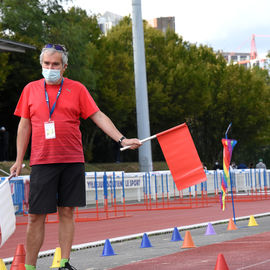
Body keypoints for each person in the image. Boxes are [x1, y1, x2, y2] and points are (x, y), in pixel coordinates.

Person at [10, 44, 142, 270]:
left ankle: (64, 263)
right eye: (47, 64)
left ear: (64, 67)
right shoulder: (30, 89)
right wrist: (18, 159)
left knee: (67, 212)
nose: (50, 68)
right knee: (35, 216)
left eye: (55, 64)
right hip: (42, 161)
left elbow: (98, 115)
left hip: (72, 160)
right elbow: (24, 126)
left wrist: (122, 139)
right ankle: (29, 267)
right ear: (41, 65)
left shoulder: (77, 89)